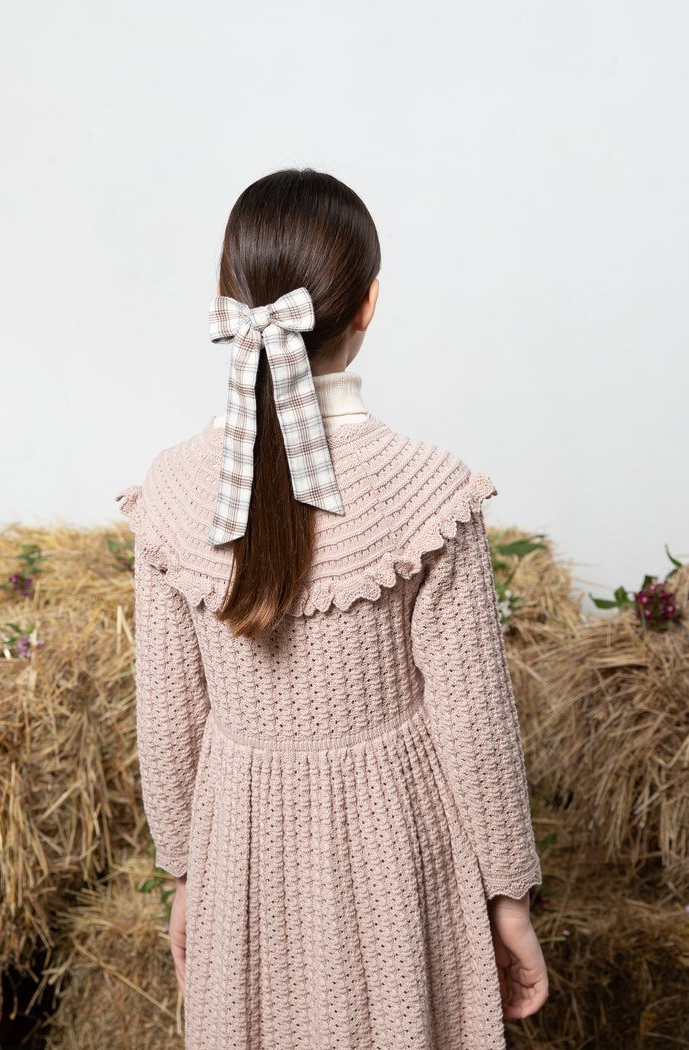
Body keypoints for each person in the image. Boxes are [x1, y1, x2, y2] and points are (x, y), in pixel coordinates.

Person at [116, 167, 548, 1050]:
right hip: (398, 841)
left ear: (229, 302)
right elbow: (475, 722)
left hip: (240, 844)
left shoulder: (172, 490)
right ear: (369, 305)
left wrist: (186, 877)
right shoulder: (429, 488)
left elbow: (168, 723)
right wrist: (509, 895)